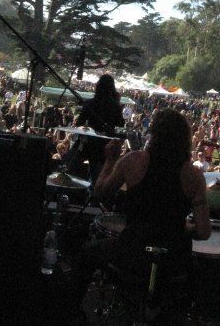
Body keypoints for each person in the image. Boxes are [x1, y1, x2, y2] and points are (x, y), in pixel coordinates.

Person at [73, 108, 211, 321]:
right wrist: (179, 227)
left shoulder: (133, 161)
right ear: (184, 139)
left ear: (153, 133)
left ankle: (71, 312)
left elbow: (99, 193)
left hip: (132, 253)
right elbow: (203, 232)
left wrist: (110, 160)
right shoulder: (194, 176)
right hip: (172, 261)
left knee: (87, 252)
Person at [69, 74, 124, 182]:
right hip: (103, 147)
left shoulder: (89, 103)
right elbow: (120, 124)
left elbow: (79, 122)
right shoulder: (115, 106)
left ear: (98, 86)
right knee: (97, 179)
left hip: (86, 143)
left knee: (70, 169)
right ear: (112, 88)